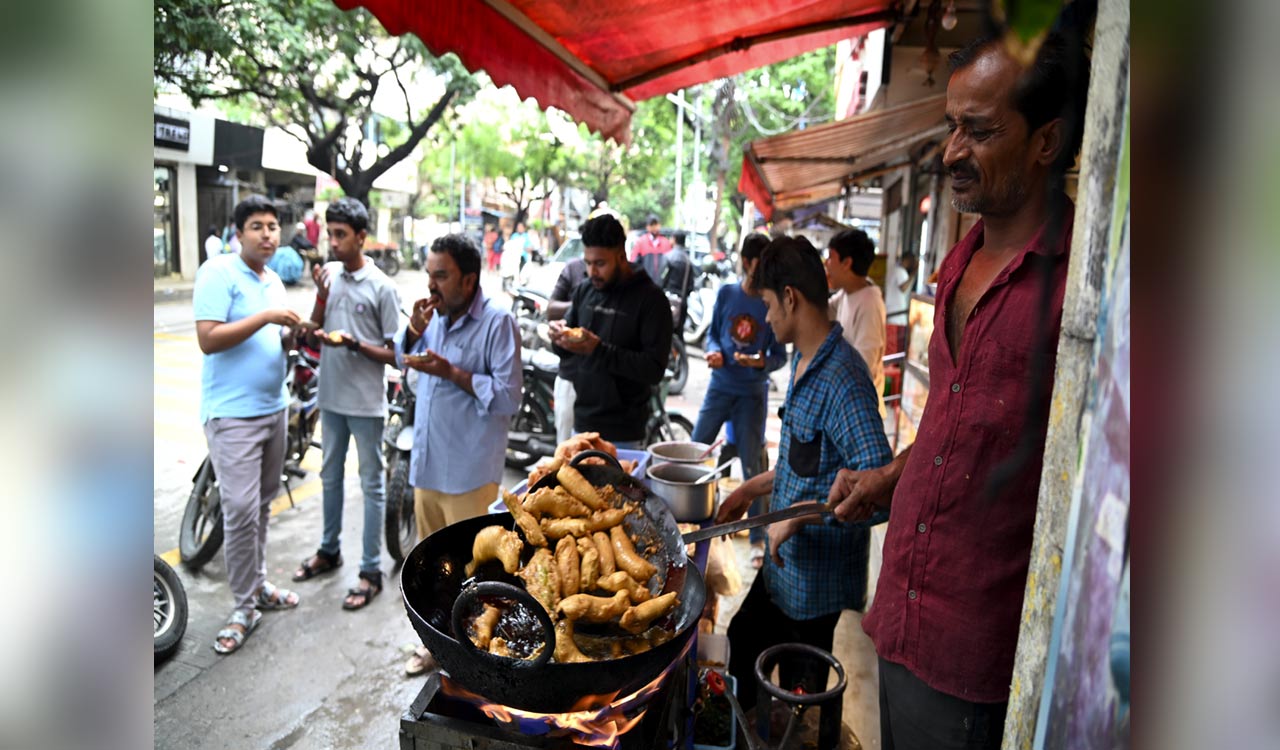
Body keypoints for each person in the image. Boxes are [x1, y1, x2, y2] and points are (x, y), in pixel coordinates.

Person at [827, 32, 1088, 750]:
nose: (949, 153)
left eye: (978, 131)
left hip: (978, 652)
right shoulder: (957, 261)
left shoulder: (1080, 296)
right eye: (950, 127)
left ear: (1047, 142)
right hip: (901, 611)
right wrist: (888, 477)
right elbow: (956, 423)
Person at [715, 236, 891, 710]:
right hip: (782, 573)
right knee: (742, 642)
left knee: (804, 699)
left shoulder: (844, 381)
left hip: (815, 586)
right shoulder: (802, 359)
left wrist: (799, 518)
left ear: (790, 297)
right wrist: (751, 489)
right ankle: (748, 735)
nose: (767, 318)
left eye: (770, 305)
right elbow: (803, 461)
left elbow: (880, 496)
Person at [396, 233, 522, 675]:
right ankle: (436, 644)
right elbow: (401, 358)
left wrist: (452, 373)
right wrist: (411, 332)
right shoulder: (431, 316)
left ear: (469, 279)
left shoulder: (497, 322)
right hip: (427, 465)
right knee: (431, 570)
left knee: (475, 574)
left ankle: (477, 657)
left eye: (442, 276)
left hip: (470, 472)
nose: (432, 286)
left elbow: (508, 398)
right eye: (429, 275)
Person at [193, 195, 303, 655]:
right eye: (256, 226)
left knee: (260, 505)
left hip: (273, 408)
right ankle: (243, 606)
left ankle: (257, 586)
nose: (267, 234)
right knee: (238, 510)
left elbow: (276, 341)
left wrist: (294, 332)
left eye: (273, 226)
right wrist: (266, 318)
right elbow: (208, 338)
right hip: (232, 414)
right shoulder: (218, 273)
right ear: (238, 233)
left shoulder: (274, 279)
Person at [292, 198, 401, 610]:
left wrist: (357, 345)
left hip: (366, 403)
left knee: (371, 484)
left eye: (341, 235)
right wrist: (320, 298)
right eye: (330, 233)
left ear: (361, 237)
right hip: (331, 395)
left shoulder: (382, 287)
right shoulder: (330, 276)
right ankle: (328, 549)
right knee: (329, 475)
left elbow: (396, 354)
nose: (333, 242)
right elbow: (315, 326)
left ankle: (370, 570)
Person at [690, 233, 787, 569]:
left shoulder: (771, 302)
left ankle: (758, 540)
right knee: (695, 450)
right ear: (747, 262)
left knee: (753, 467)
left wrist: (762, 362)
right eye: (761, 263)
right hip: (720, 386)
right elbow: (714, 333)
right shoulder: (727, 293)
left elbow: (779, 356)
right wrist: (713, 351)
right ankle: (687, 522)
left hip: (752, 394)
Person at [549, 214, 672, 448]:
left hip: (624, 434)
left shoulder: (651, 299)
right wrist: (559, 338)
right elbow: (567, 348)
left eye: (600, 263)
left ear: (621, 256)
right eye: (587, 262)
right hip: (582, 423)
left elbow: (654, 369)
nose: (592, 271)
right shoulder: (584, 290)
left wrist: (599, 350)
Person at [826, 228, 887, 418]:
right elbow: (821, 313)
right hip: (846, 404)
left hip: (860, 410)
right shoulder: (847, 292)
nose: (826, 264)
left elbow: (864, 366)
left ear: (847, 263)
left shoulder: (869, 303)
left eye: (830, 258)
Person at [547, 254, 589, 444]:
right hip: (571, 374)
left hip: (605, 387)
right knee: (566, 447)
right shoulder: (573, 269)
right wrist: (584, 304)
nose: (595, 270)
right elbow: (551, 308)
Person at [660, 231, 694, 329]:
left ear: (674, 239)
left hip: (666, 302)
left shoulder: (668, 257)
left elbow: (661, 279)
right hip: (682, 303)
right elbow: (690, 286)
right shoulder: (688, 261)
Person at [631, 214, 671, 278]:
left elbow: (670, 264)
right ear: (647, 227)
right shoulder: (640, 242)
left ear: (659, 225)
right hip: (645, 283)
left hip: (661, 283)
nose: (654, 227)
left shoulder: (666, 242)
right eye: (652, 225)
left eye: (656, 224)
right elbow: (633, 263)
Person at [885, 252, 917, 324]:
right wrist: (913, 272)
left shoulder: (894, 269)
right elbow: (903, 288)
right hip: (896, 315)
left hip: (892, 312)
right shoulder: (900, 271)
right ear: (906, 260)